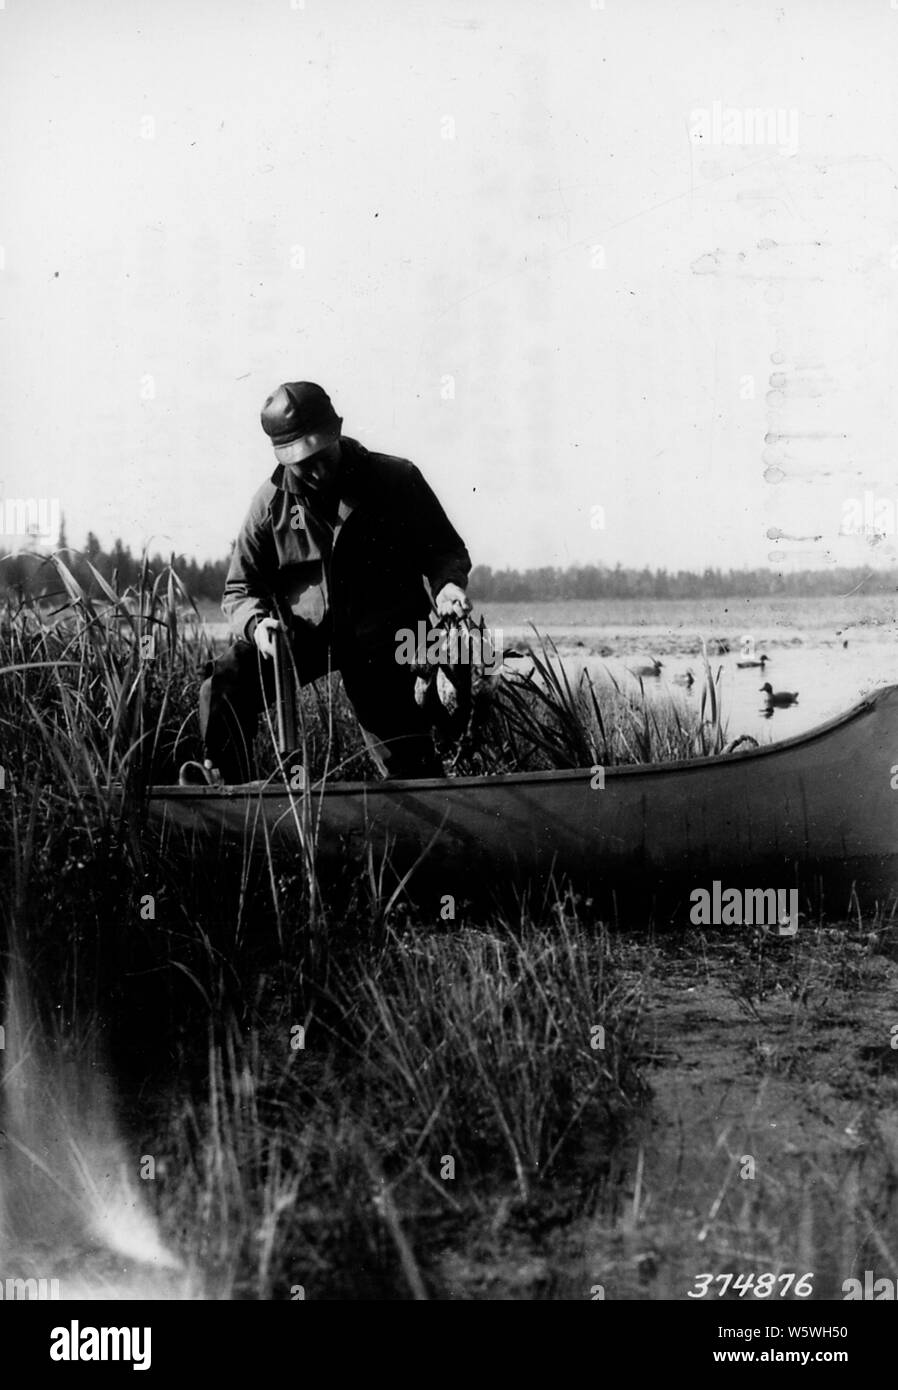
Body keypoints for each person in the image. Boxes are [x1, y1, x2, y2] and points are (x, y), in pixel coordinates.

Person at [197, 381, 471, 782]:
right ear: (282, 456)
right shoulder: (268, 507)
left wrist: (448, 584)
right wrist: (257, 627)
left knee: (411, 770)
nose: (320, 470)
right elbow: (241, 589)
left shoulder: (397, 480)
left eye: (323, 454)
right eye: (304, 463)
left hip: (385, 642)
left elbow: (444, 550)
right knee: (223, 686)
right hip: (301, 640)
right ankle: (230, 797)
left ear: (337, 431)